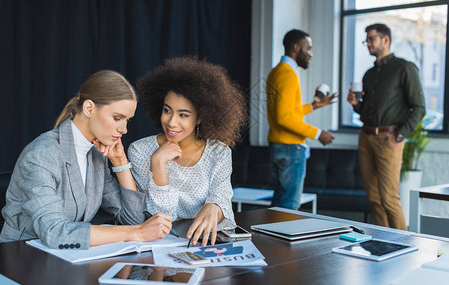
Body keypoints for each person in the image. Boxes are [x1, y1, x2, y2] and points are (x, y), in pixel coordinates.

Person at [0, 70, 173, 249]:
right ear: (89, 109)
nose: (124, 129)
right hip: (21, 257)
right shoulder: (42, 154)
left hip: (66, 260)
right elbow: (55, 233)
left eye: (127, 120)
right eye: (117, 118)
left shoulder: (96, 155)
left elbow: (132, 220)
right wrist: (136, 233)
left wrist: (120, 162)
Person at [129, 57, 247, 247]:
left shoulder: (219, 152)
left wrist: (214, 207)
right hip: (156, 250)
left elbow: (222, 198)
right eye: (167, 111)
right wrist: (158, 164)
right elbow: (160, 221)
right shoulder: (141, 151)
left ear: (200, 117)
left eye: (183, 115)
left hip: (206, 249)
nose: (171, 122)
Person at [347, 23, 425, 230]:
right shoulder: (368, 75)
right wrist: (356, 106)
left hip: (389, 139)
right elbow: (365, 113)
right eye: (367, 40)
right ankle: (382, 243)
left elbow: (419, 108)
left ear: (385, 39)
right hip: (366, 137)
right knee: (374, 198)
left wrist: (399, 135)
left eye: (371, 39)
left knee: (389, 198)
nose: (368, 44)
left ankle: (404, 247)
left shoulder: (404, 68)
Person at [266, 29, 337, 210]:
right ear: (296, 47)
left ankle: (268, 238)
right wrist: (318, 133)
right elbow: (284, 117)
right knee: (288, 207)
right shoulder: (288, 75)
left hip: (279, 146)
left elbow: (287, 111)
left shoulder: (277, 71)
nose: (310, 54)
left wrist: (314, 105)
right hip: (290, 149)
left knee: (279, 204)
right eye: (309, 48)